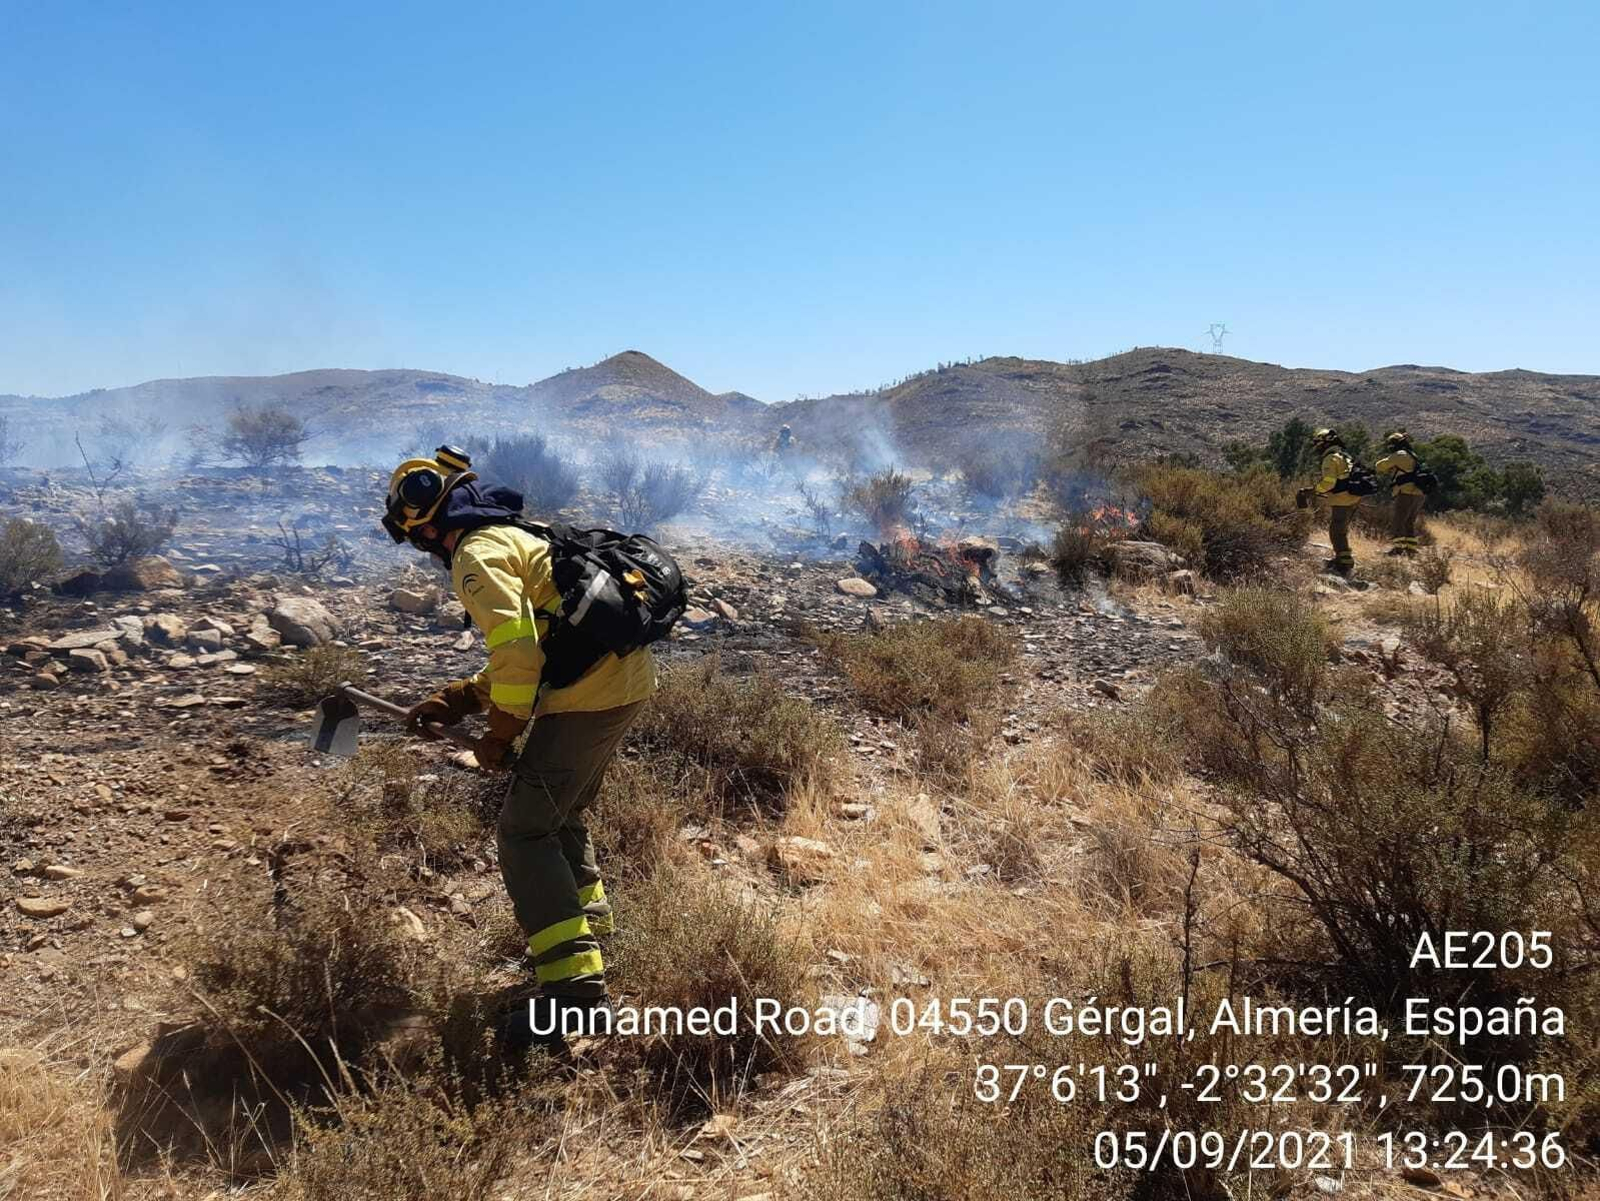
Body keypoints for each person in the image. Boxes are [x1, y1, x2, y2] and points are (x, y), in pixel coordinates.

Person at [381, 447, 657, 1046]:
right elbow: (548, 643)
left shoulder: (476, 556)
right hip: (623, 684)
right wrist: (458, 699)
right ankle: (592, 928)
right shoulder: (516, 534)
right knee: (561, 813)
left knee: (524, 831)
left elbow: (520, 658)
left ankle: (575, 998)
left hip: (587, 698)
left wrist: (498, 738)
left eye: (419, 539)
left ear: (426, 527)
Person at [1297, 428, 1362, 575]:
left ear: (1325, 443)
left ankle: (1343, 563)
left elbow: (1329, 483)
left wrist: (1313, 491)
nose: (1317, 447)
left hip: (1342, 499)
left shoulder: (1330, 458)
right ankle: (1343, 557)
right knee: (1341, 530)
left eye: (1319, 444)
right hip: (1352, 497)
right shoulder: (1343, 455)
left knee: (1336, 531)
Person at [1374, 430, 1425, 556]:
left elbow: (1379, 466)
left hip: (1406, 492)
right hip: (1419, 494)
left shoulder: (1400, 455)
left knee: (1399, 520)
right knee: (1409, 521)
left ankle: (1398, 550)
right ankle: (1410, 550)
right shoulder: (1412, 455)